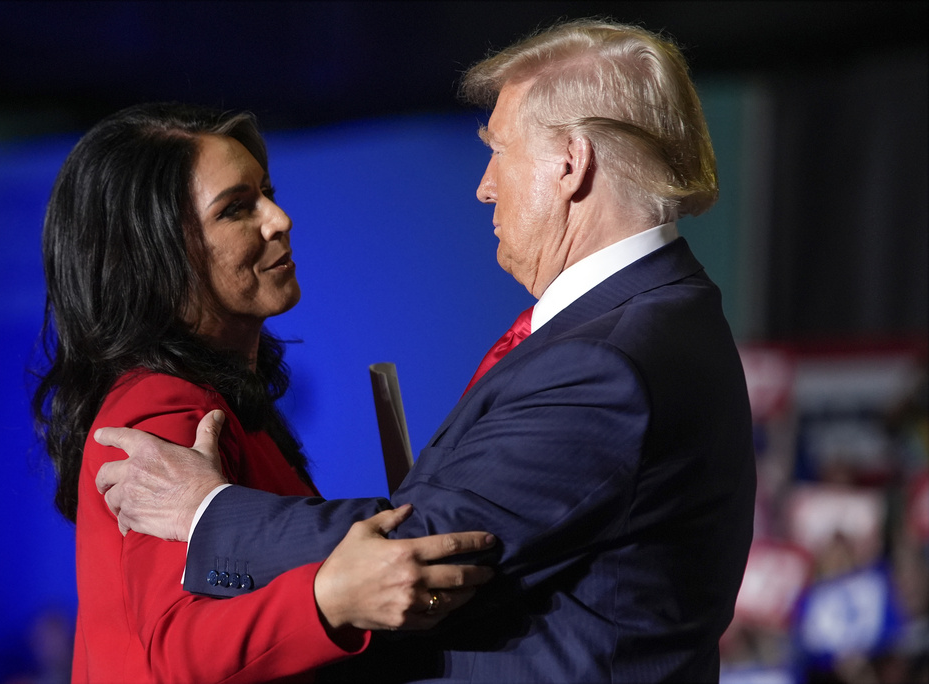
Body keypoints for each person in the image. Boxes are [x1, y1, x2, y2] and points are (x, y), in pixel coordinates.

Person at [95, 19, 757, 682]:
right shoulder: (662, 318)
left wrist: (205, 512)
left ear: (569, 163)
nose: (485, 185)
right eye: (238, 206)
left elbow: (423, 547)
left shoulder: (607, 359)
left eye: (498, 150)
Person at [31, 101, 495, 683]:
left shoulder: (221, 399)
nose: (280, 219)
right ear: (153, 255)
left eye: (267, 193)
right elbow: (173, 653)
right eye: (236, 209)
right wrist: (329, 599)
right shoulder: (161, 407)